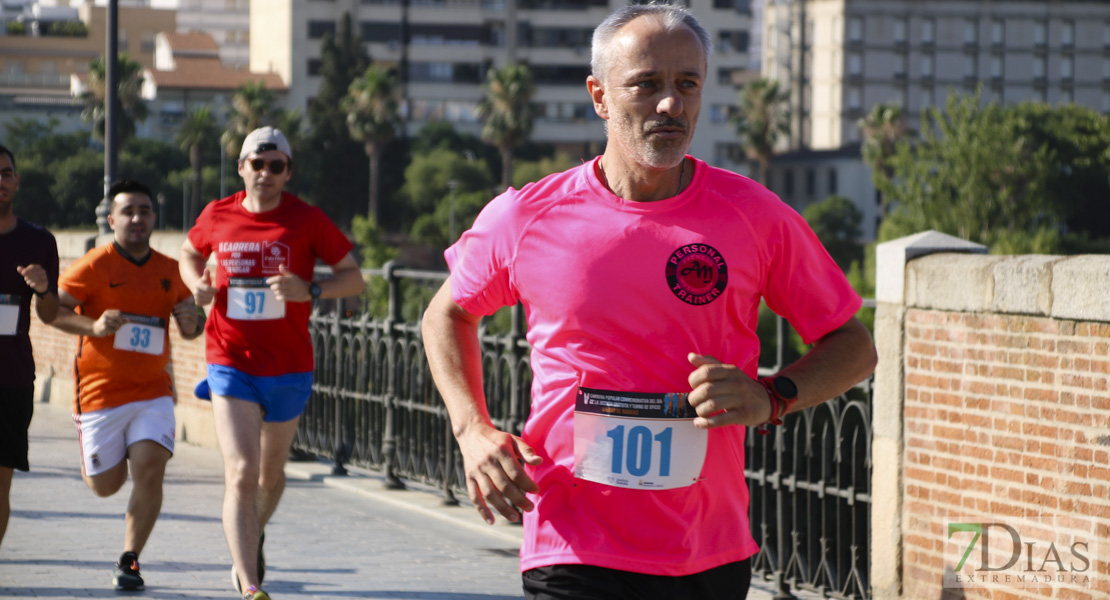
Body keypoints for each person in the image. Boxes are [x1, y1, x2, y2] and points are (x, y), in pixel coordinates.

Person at [420, 5, 878, 600]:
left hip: (706, 550)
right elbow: (446, 313)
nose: (671, 104)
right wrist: (472, 430)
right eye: (647, 84)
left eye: (687, 84)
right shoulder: (527, 216)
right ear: (600, 96)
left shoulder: (755, 216)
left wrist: (771, 397)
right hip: (571, 543)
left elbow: (854, 346)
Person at [179, 127, 365, 600]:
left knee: (269, 476)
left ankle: (251, 533)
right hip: (230, 360)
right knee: (241, 472)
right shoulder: (217, 214)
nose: (265, 173)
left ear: (287, 172)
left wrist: (313, 289)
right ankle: (250, 585)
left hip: (288, 366)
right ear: (241, 167)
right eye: (256, 164)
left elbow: (354, 278)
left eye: (275, 166)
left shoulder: (306, 219)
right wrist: (197, 284)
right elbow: (188, 251)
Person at [50, 179, 203, 590]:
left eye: (145, 211)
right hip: (99, 393)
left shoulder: (170, 270)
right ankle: (91, 460)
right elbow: (52, 313)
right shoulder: (94, 265)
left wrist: (193, 322)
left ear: (154, 218)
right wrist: (94, 325)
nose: (138, 219)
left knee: (151, 468)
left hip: (153, 391)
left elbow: (191, 322)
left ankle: (129, 560)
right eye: (129, 212)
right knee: (106, 485)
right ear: (112, 219)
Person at [0, 144, 59, 550]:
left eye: (5, 174)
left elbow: (52, 315)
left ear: (16, 182)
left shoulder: (38, 241)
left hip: (12, 377)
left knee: (0, 486)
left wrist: (42, 288)